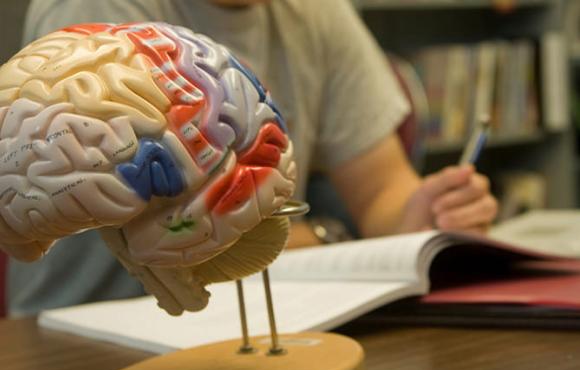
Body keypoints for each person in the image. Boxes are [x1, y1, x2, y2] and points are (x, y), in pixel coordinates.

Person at [8, 0, 497, 316]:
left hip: (259, 317)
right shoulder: (93, 10)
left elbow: (383, 190)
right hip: (80, 331)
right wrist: (325, 235)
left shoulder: (317, 14)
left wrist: (420, 218)